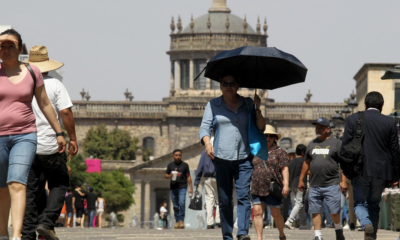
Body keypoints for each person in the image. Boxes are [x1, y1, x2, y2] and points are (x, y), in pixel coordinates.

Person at [0, 29, 66, 240]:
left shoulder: (31, 72)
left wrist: (60, 132)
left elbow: (45, 103)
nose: (6, 49)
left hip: (26, 135)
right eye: (2, 45)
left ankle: (17, 236)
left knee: (17, 183)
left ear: (20, 48)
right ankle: (3, 232)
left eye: (11, 45)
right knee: (2, 187)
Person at [21, 45, 78, 240]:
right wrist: (72, 138)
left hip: (26, 145)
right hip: (50, 145)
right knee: (59, 183)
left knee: (30, 191)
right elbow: (65, 112)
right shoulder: (54, 85)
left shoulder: (21, 84)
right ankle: (46, 222)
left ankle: (27, 233)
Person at [199, 74, 265, 240]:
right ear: (220, 86)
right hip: (222, 158)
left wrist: (258, 109)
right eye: (225, 83)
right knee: (225, 198)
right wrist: (207, 144)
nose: (228, 86)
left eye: (232, 83)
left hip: (244, 157)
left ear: (237, 85)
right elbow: (204, 128)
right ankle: (227, 235)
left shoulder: (248, 103)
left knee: (243, 196)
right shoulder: (213, 104)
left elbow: (261, 127)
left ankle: (242, 233)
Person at [341, 91, 400, 240]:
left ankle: (366, 225)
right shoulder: (390, 122)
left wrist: (346, 173)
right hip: (381, 171)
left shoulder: (352, 119)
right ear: (382, 106)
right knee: (374, 205)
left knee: (359, 203)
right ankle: (371, 236)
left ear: (365, 105)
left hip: (359, 170)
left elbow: (345, 148)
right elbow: (395, 151)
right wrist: (396, 175)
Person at [298, 117, 347, 240]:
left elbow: (343, 164)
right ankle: (318, 236)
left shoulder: (336, 143)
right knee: (315, 211)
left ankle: (338, 229)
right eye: (316, 128)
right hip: (314, 184)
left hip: (332, 183)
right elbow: (306, 162)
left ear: (328, 129)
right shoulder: (312, 144)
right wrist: (301, 179)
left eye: (320, 127)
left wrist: (344, 181)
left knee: (334, 212)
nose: (318, 130)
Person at [251, 125, 289, 240]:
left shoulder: (279, 151)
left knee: (275, 213)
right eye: (265, 135)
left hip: (272, 187)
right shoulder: (255, 150)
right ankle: (259, 238)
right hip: (257, 186)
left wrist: (286, 184)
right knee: (257, 212)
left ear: (274, 138)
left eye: (271, 136)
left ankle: (282, 234)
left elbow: (285, 168)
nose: (268, 138)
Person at [194, 138, 220, 229]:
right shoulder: (219, 151)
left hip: (207, 178)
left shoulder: (204, 153)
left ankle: (210, 223)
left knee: (209, 200)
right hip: (218, 178)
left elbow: (200, 167)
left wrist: (197, 180)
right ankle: (218, 220)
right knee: (219, 199)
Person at [165, 149, 193, 229]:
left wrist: (191, 188)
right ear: (173, 156)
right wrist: (170, 175)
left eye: (179, 155)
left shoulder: (185, 165)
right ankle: (177, 221)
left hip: (182, 187)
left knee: (182, 203)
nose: (178, 157)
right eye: (176, 155)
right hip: (173, 188)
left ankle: (181, 220)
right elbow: (166, 175)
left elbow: (188, 176)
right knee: (176, 205)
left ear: (181, 155)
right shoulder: (170, 165)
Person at [285, 144, 309, 230]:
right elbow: (309, 172)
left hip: (292, 185)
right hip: (301, 185)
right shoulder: (304, 161)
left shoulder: (291, 162)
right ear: (303, 152)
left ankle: (303, 224)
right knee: (299, 203)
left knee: (300, 204)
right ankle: (290, 221)